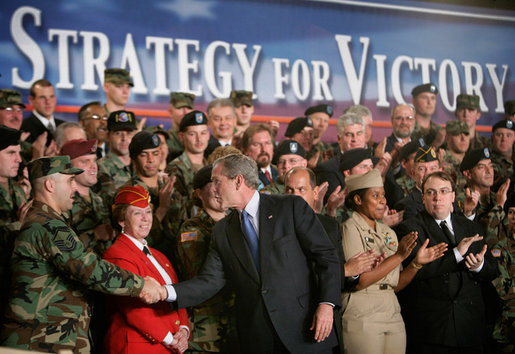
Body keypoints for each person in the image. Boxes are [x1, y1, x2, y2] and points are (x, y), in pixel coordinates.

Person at [164, 154, 342, 354]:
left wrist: (326, 304)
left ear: (238, 180)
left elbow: (326, 257)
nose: (212, 189)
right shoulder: (222, 231)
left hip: (306, 329)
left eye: (216, 182)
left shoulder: (290, 207)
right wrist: (165, 292)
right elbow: (210, 281)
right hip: (259, 338)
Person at [0, 156, 165, 352]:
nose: (75, 188)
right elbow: (89, 269)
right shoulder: (47, 225)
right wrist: (141, 285)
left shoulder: (49, 222)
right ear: (50, 185)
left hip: (47, 338)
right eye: (69, 181)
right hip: (37, 340)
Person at [341, 169, 446, 354]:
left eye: (383, 195)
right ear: (357, 200)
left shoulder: (388, 233)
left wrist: (416, 264)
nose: (383, 200)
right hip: (363, 311)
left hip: (392, 309)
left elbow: (396, 284)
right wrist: (398, 256)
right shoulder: (350, 228)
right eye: (375, 195)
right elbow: (359, 281)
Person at [397, 171, 498, 353]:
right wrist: (457, 254)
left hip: (470, 327)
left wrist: (479, 267)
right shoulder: (411, 228)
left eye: (444, 191)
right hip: (434, 330)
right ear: (423, 198)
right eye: (431, 192)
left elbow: (492, 270)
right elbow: (414, 274)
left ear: (453, 196)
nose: (437, 198)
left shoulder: (471, 226)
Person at [103, 186, 189, 354]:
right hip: (139, 346)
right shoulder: (117, 254)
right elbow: (134, 310)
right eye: (137, 213)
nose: (146, 219)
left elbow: (177, 294)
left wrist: (184, 330)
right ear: (121, 220)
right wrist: (171, 340)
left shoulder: (159, 255)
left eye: (148, 212)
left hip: (169, 345)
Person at [176, 165, 238, 352]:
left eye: (223, 184)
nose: (220, 191)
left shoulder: (238, 221)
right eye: (214, 185)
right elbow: (202, 276)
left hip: (238, 324)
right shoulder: (191, 230)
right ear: (199, 193)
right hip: (207, 331)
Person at [60, 139, 113, 255]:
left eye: (94, 160)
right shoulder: (63, 203)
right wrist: (95, 235)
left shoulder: (98, 199)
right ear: (68, 166)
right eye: (85, 161)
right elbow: (61, 249)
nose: (93, 166)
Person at [0, 126, 30, 320]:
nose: (18, 159)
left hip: (15, 286)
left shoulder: (18, 190)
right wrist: (19, 225)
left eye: (19, 153)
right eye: (11, 153)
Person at [166, 110, 209, 210]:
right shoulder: (175, 168)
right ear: (181, 136)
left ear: (208, 135)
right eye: (192, 134)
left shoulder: (212, 166)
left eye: (203, 133)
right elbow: (176, 210)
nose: (199, 139)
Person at [97, 110, 138, 205]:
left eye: (129, 133)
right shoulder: (99, 168)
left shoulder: (141, 164)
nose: (124, 138)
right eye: (118, 133)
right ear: (108, 136)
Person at [22, 79, 65, 144]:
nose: (48, 102)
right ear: (31, 100)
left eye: (51, 97)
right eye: (42, 97)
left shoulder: (64, 126)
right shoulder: (23, 128)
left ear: (55, 98)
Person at [440, 120, 470, 193]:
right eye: (457, 134)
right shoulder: (441, 161)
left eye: (466, 134)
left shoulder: (473, 161)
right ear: (447, 138)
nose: (463, 138)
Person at [410, 83, 444, 148]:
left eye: (433, 98)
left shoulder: (439, 131)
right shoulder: (408, 128)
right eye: (424, 98)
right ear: (414, 101)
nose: (429, 102)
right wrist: (435, 144)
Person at [167, 92, 195, 160]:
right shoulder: (165, 140)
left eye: (188, 108)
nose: (185, 112)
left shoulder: (201, 139)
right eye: (180, 108)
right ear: (171, 112)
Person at [490, 119, 515, 190]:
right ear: (492, 138)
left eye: (508, 135)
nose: (504, 139)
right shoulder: (487, 162)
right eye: (499, 135)